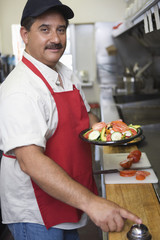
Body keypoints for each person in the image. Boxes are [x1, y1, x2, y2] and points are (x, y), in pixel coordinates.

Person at [0, 0, 142, 239]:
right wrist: (92, 202)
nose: (56, 38)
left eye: (61, 29)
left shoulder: (64, 72)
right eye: (44, 29)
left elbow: (86, 118)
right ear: (25, 34)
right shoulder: (20, 89)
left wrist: (114, 132)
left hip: (68, 198)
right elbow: (30, 161)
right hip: (38, 214)